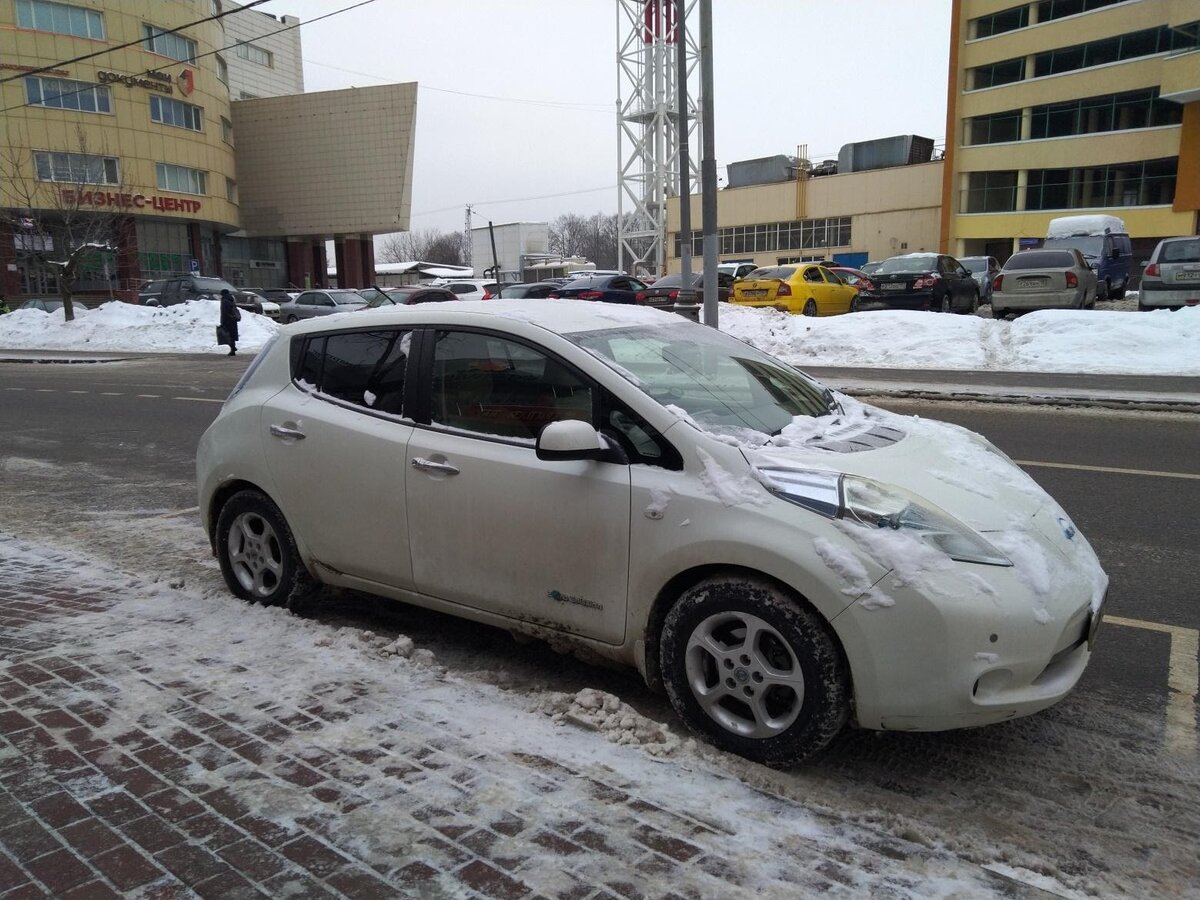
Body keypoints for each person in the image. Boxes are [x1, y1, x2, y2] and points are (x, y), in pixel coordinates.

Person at [219, 289, 240, 356]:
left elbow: (224, 312)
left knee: (227, 335)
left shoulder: (224, 301)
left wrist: (222, 321)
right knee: (232, 336)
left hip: (227, 320)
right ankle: (233, 349)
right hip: (233, 320)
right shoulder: (231, 299)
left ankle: (233, 349)